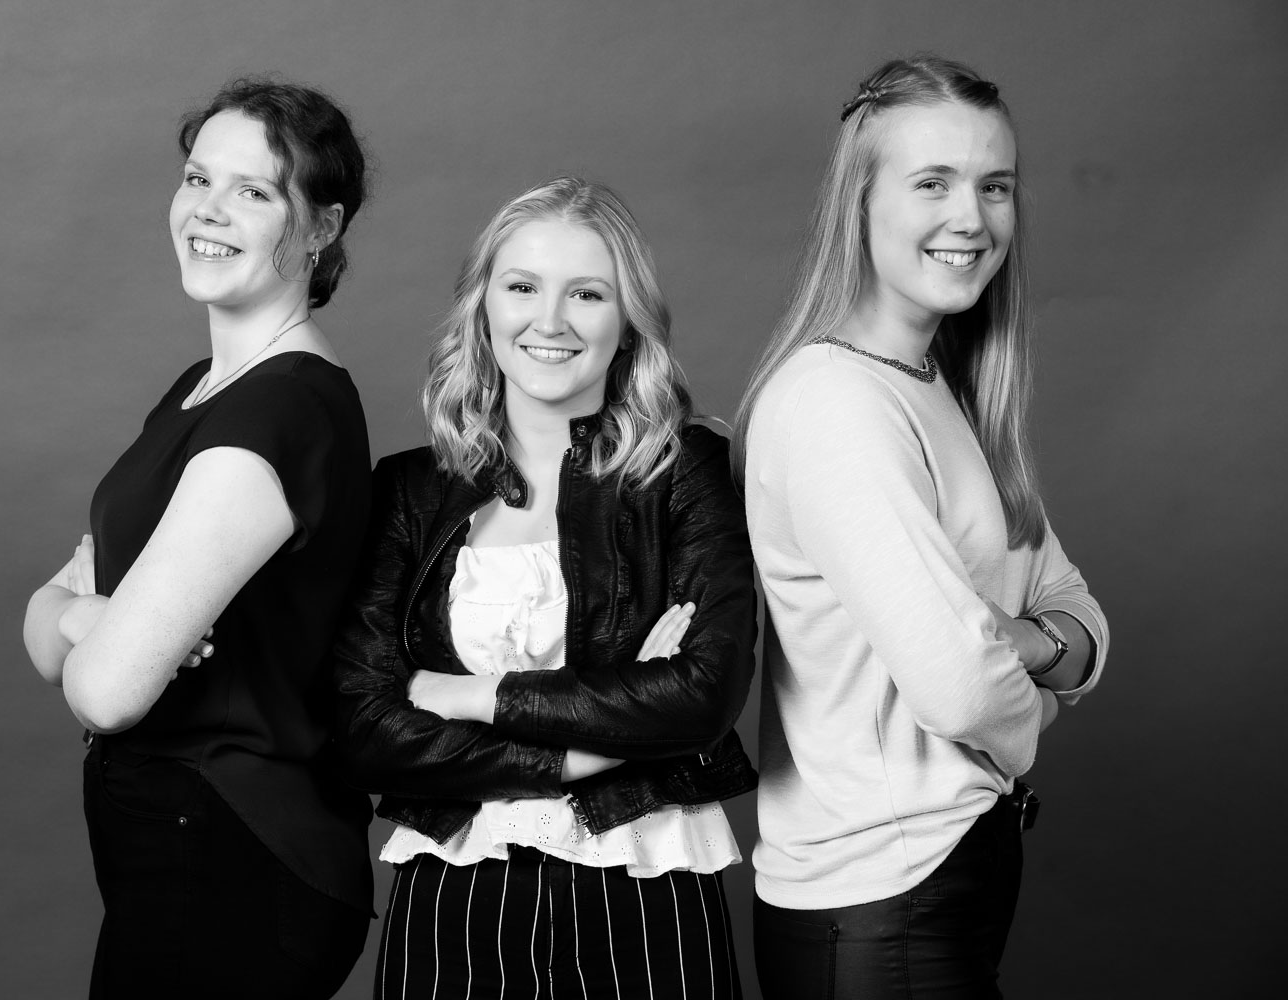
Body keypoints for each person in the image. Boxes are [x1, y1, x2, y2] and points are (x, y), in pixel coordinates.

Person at [736, 55, 1110, 998]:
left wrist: (1027, 641)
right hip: (878, 904)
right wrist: (1027, 697)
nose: (971, 219)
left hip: (939, 880)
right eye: (933, 183)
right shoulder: (835, 402)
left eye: (995, 186)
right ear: (859, 202)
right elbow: (962, 687)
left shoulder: (940, 384)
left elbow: (1075, 608)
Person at [334, 176, 758, 999]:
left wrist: (467, 695)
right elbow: (365, 728)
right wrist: (597, 740)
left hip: (646, 886)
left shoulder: (686, 472)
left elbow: (702, 695)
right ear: (482, 306)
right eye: (523, 287)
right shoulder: (409, 492)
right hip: (454, 893)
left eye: (587, 294)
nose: (551, 321)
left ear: (627, 322)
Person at [21, 77, 373, 998]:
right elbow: (46, 624)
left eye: (253, 191)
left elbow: (106, 693)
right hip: (180, 858)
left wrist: (79, 620)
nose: (207, 211)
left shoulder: (280, 413)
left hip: (233, 862)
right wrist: (87, 618)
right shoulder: (201, 390)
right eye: (196, 179)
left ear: (322, 226)